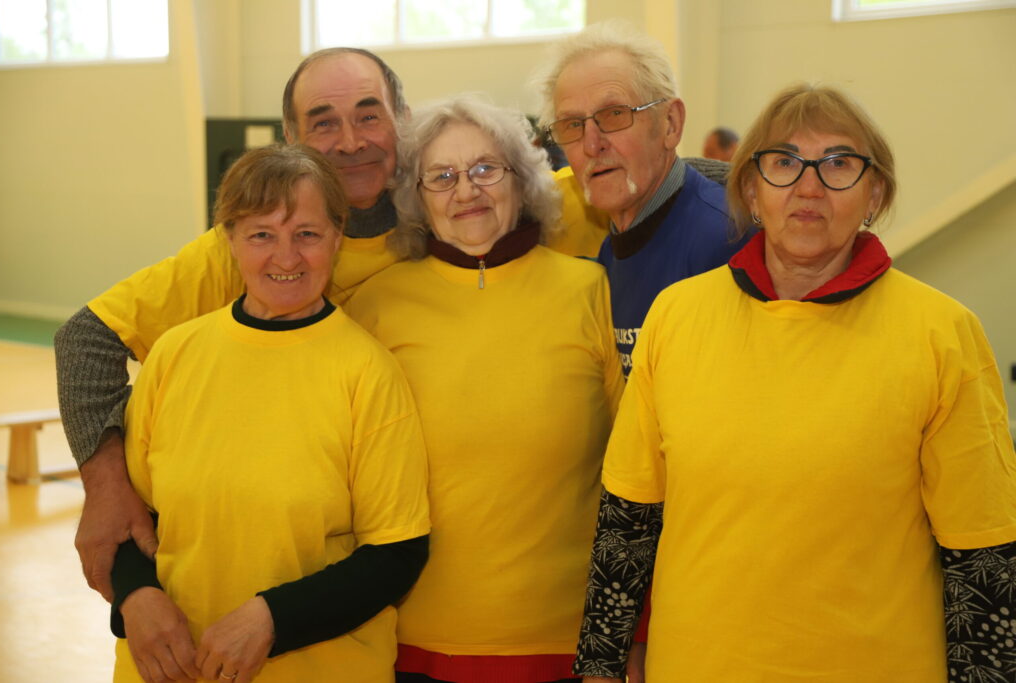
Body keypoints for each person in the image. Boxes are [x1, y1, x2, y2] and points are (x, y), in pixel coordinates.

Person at [572, 83, 1016, 682]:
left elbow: (982, 557)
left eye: (839, 163)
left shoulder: (943, 334)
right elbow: (628, 519)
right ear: (751, 191)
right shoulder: (676, 316)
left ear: (874, 194)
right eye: (783, 163)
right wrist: (601, 665)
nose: (809, 187)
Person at [110, 144, 431, 682]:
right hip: (169, 669)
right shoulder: (173, 354)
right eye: (262, 235)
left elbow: (396, 553)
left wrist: (272, 619)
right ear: (229, 240)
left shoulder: (368, 372)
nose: (286, 258)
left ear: (337, 237)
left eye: (306, 234)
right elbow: (131, 515)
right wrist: (135, 596)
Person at [344, 95, 624, 683]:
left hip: (566, 644)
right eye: (442, 177)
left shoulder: (591, 290)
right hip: (411, 645)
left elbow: (637, 476)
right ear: (416, 199)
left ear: (522, 181)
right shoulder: (375, 306)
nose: (465, 191)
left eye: (484, 169)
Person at [538, 22, 748, 375]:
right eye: (572, 125)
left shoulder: (726, 240)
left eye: (615, 115)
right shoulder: (613, 248)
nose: (591, 144)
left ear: (670, 124)